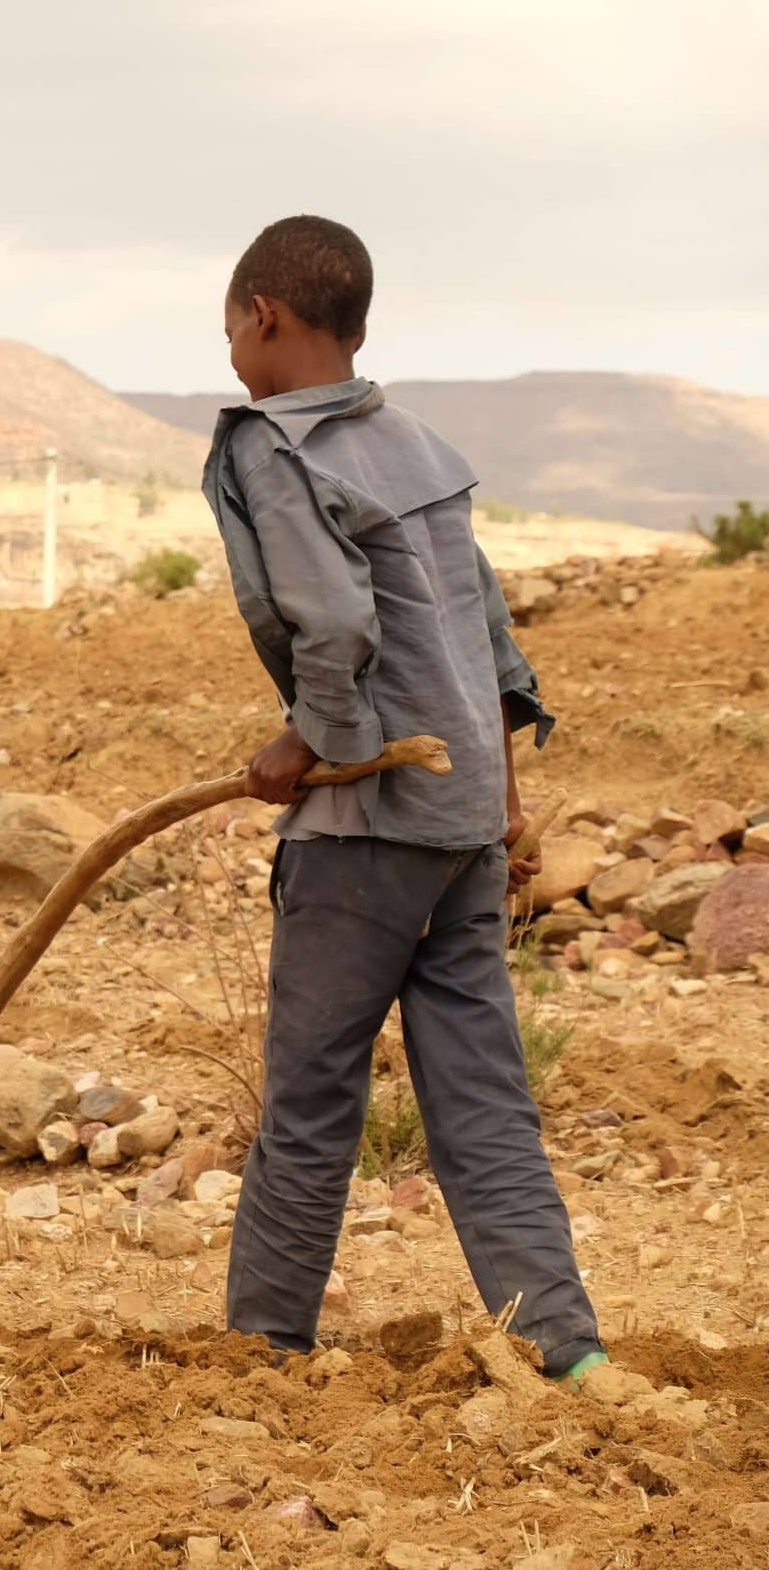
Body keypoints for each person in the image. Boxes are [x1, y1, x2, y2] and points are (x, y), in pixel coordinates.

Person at [203, 215, 605, 1380]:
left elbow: (331, 627)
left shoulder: (272, 447)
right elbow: (485, 636)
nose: (231, 350)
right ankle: (565, 1351)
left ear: (265, 315)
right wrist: (504, 797)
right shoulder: (418, 444)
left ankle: (262, 1350)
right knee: (483, 1103)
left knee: (311, 1104)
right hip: (463, 823)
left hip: (365, 827)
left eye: (231, 326)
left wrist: (306, 742)